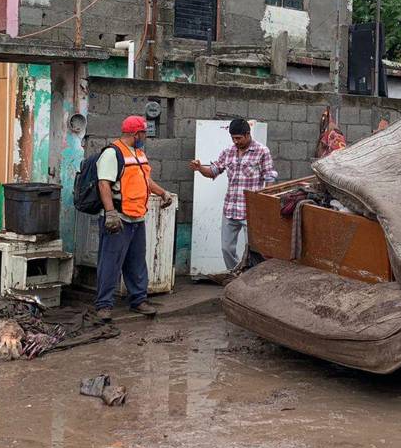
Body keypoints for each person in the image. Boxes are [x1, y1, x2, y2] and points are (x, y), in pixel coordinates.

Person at [94, 114, 174, 321]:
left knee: (137, 262)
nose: (145, 136)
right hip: (118, 217)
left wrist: (163, 193)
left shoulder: (138, 154)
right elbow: (104, 184)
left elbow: (146, 180)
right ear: (135, 133)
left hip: (137, 216)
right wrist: (110, 213)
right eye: (143, 132)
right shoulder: (113, 153)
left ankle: (138, 300)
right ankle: (104, 305)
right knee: (110, 262)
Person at [190, 118, 278, 274]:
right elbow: (213, 171)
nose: (236, 141)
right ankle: (236, 276)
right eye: (233, 138)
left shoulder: (262, 151)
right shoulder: (228, 152)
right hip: (230, 209)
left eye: (239, 138)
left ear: (247, 134)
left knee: (254, 250)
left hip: (251, 211)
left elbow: (270, 178)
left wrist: (264, 203)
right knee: (226, 248)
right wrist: (199, 168)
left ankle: (254, 281)